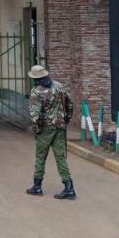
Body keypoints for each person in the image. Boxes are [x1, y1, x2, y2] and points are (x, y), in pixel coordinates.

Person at [25, 64, 75, 199]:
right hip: (60, 126)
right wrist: (66, 119)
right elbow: (70, 104)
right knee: (60, 157)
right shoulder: (58, 86)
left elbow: (35, 116)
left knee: (41, 156)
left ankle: (37, 186)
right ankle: (69, 187)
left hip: (45, 129)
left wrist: (36, 130)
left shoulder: (36, 92)